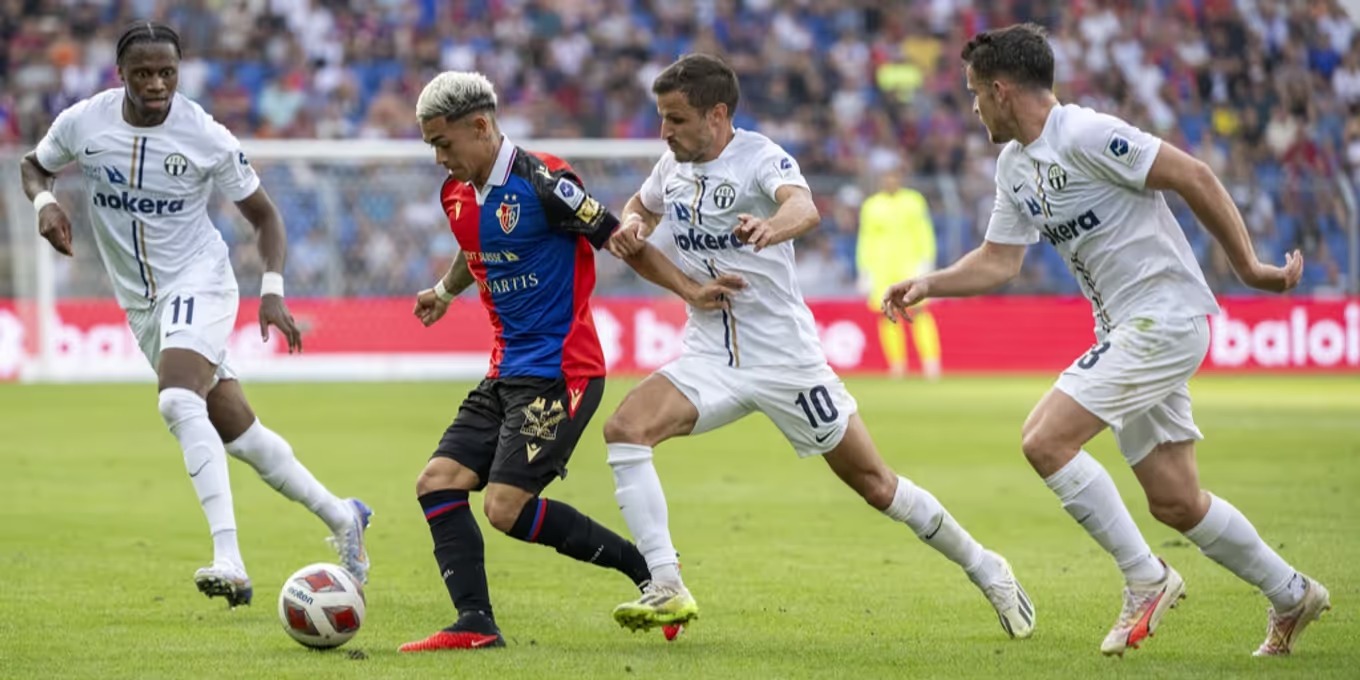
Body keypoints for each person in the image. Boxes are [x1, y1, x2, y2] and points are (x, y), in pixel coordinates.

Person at [882, 23, 1330, 657]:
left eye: (975, 92)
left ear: (1003, 90)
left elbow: (1194, 175)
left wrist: (1251, 268)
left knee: (1044, 440)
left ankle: (1146, 578)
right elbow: (999, 260)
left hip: (1164, 317)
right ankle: (1292, 593)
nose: (972, 104)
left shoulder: (1088, 134)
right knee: (1176, 501)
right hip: (1127, 328)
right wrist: (928, 283)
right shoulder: (1015, 166)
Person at [603, 54, 1035, 640]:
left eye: (676, 119)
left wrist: (769, 227)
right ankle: (666, 584)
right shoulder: (670, 166)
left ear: (717, 114)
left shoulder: (759, 157)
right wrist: (632, 224)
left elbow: (802, 206)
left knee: (877, 485)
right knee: (626, 430)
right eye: (662, 118)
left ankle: (988, 568)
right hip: (709, 356)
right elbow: (641, 208)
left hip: (787, 361)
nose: (664, 131)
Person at [18, 21, 371, 609]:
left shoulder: (205, 135)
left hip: (200, 281)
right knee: (242, 434)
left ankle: (228, 560)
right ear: (120, 75)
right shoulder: (84, 122)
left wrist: (273, 288)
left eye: (167, 73)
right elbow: (35, 164)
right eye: (144, 74)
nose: (157, 84)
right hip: (141, 302)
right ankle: (343, 515)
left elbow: (266, 219)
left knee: (177, 400)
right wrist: (46, 200)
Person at [401, 71, 740, 652]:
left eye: (443, 143)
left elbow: (619, 240)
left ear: (480, 126)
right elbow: (473, 243)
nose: (438, 158)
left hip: (563, 371)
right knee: (437, 483)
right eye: (431, 145)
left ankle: (648, 571)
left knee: (504, 508)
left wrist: (689, 289)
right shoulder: (456, 193)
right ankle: (475, 625)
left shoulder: (546, 183)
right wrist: (445, 290)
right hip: (505, 369)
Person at [857, 168, 942, 380]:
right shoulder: (871, 206)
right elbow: (865, 239)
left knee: (920, 311)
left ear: (900, 178)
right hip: (882, 268)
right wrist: (864, 269)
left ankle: (930, 362)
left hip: (910, 265)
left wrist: (926, 260)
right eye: (886, 177)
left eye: (893, 176)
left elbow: (924, 230)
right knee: (887, 314)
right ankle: (897, 364)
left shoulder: (913, 201)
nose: (890, 180)